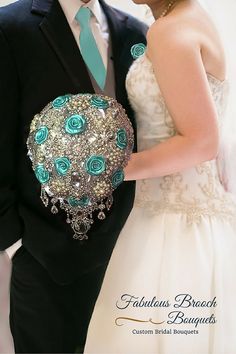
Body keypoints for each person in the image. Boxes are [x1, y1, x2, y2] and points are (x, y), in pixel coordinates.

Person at [84, 0, 236, 353]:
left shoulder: (170, 30)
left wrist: (112, 170)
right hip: (182, 212)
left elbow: (201, 142)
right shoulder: (186, 17)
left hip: (173, 226)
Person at [0, 0, 147, 352]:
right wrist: (17, 242)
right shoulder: (9, 27)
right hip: (45, 253)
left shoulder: (135, 31)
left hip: (128, 251)